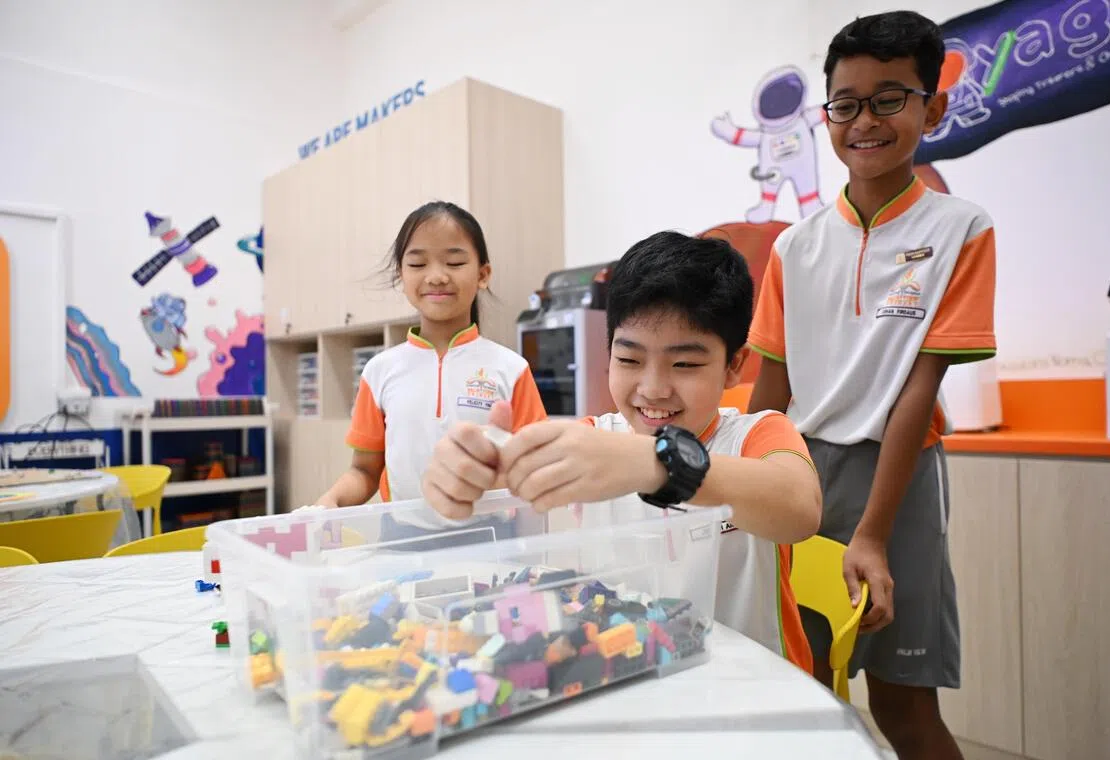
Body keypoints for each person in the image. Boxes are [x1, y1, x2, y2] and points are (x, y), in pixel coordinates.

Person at [748, 11, 996, 760]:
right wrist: (735, 495)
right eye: (846, 103)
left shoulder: (962, 228)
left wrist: (874, 534)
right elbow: (769, 389)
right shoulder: (795, 245)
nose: (865, 120)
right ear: (827, 115)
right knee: (804, 689)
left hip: (899, 478)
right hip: (798, 473)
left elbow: (916, 391)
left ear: (933, 107)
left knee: (903, 706)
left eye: (890, 98)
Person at [420, 230, 822, 673]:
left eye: (685, 364)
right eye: (629, 360)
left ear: (733, 366)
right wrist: (465, 471)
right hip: (635, 683)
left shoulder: (756, 435)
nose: (653, 388)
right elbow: (504, 472)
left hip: (757, 690)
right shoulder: (592, 440)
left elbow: (799, 508)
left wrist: (654, 464)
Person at [315, 201, 547, 540]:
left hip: (492, 540)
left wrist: (532, 555)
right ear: (401, 275)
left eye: (454, 262)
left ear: (483, 274)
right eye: (418, 263)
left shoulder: (511, 369)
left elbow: (533, 471)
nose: (436, 276)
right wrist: (330, 501)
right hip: (401, 541)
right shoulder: (379, 371)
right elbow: (364, 470)